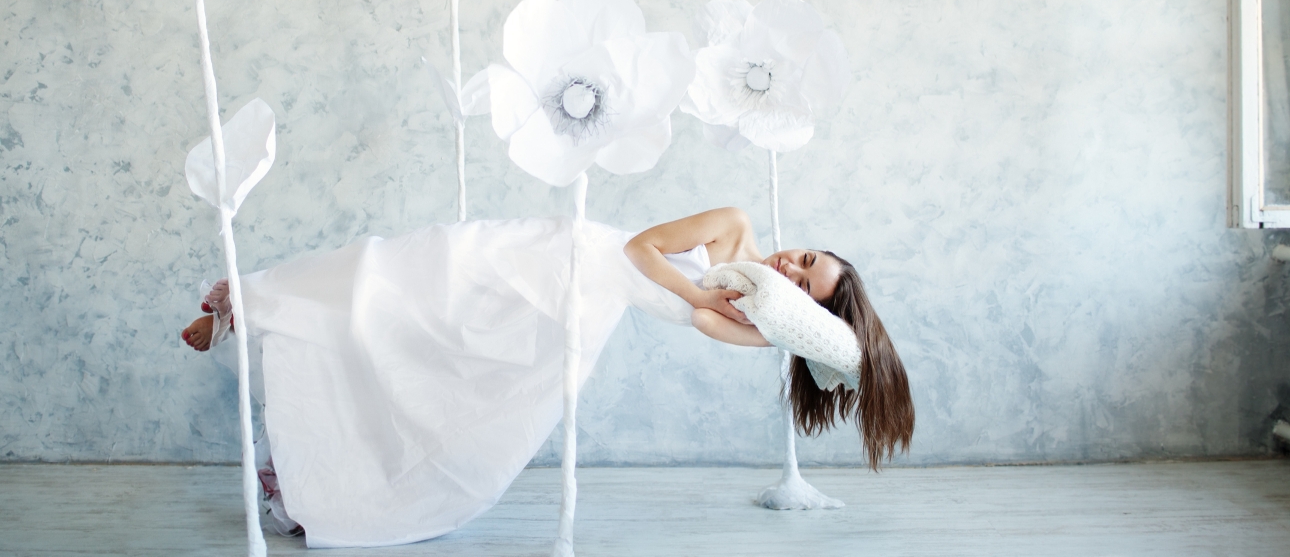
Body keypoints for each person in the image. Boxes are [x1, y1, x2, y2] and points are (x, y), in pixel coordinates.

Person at [181, 207, 913, 546]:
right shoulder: (735, 230)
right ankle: (251, 299)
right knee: (419, 276)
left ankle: (276, 355)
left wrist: (786, 334)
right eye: (807, 256)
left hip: (578, 311)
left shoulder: (755, 315)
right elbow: (640, 249)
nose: (791, 266)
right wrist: (710, 288)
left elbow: (702, 325)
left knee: (452, 363)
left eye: (805, 280)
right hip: (569, 257)